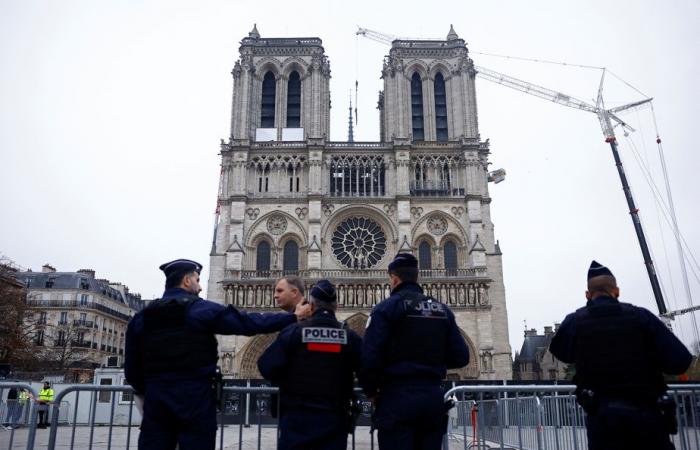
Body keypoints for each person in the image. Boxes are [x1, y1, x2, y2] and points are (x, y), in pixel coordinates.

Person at [124, 259, 312, 450]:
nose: (199, 288)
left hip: (157, 401)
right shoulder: (200, 310)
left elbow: (131, 369)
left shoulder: (142, 317)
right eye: (197, 280)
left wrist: (155, 388)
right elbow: (247, 323)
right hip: (195, 399)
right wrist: (292, 317)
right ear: (187, 281)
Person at [550, 260, 693, 450]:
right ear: (617, 291)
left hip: (604, 419)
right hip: (647, 415)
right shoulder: (641, 317)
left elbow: (562, 353)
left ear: (587, 294)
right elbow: (680, 361)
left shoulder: (575, 322)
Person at [361, 253, 470, 450]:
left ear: (394, 279)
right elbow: (461, 356)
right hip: (431, 398)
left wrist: (372, 392)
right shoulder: (442, 310)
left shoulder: (385, 309)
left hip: (396, 399)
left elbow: (369, 359)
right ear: (417, 277)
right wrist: (434, 362)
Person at [258, 280, 362, 450]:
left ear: (311, 306)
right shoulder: (349, 337)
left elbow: (265, 366)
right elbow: (367, 371)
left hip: (296, 420)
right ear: (336, 306)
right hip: (334, 420)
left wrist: (285, 377)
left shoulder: (293, 332)